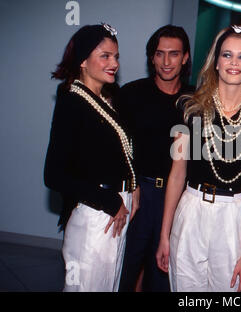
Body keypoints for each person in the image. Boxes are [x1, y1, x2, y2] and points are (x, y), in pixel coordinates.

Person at [155, 25, 241, 292]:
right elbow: (177, 175)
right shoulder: (190, 108)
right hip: (191, 211)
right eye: (227, 54)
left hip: (233, 216)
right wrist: (164, 234)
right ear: (216, 62)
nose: (234, 63)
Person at [44, 24, 139, 292]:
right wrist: (109, 200)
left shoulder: (107, 98)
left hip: (114, 210)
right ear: (83, 61)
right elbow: (54, 174)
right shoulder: (72, 102)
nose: (114, 63)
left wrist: (133, 185)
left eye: (116, 56)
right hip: (95, 212)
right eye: (105, 56)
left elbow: (119, 152)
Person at [117, 25, 193, 292]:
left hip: (178, 198)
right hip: (139, 195)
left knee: (162, 277)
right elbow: (117, 148)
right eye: (159, 54)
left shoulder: (194, 101)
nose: (166, 61)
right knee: (123, 273)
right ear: (152, 57)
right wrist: (131, 183)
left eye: (174, 54)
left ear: (185, 57)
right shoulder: (130, 94)